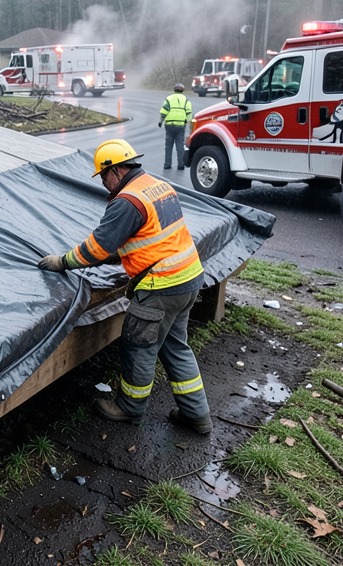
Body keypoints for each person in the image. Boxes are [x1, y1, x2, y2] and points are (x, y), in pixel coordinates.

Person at [37, 139, 212, 434]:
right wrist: (121, 255)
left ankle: (130, 407)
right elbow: (153, 236)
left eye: (103, 176)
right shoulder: (156, 185)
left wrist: (63, 262)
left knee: (138, 345)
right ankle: (197, 415)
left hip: (161, 286)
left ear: (116, 170)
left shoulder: (127, 201)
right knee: (174, 345)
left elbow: (96, 248)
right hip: (189, 278)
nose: (104, 183)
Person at [159, 83, 192, 171]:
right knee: (180, 146)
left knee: (168, 145)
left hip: (169, 125)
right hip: (180, 125)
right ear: (183, 90)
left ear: (174, 90)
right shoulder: (185, 99)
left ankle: (167, 164)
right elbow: (189, 112)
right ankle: (181, 164)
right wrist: (188, 123)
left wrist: (160, 121)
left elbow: (164, 111)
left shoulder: (169, 98)